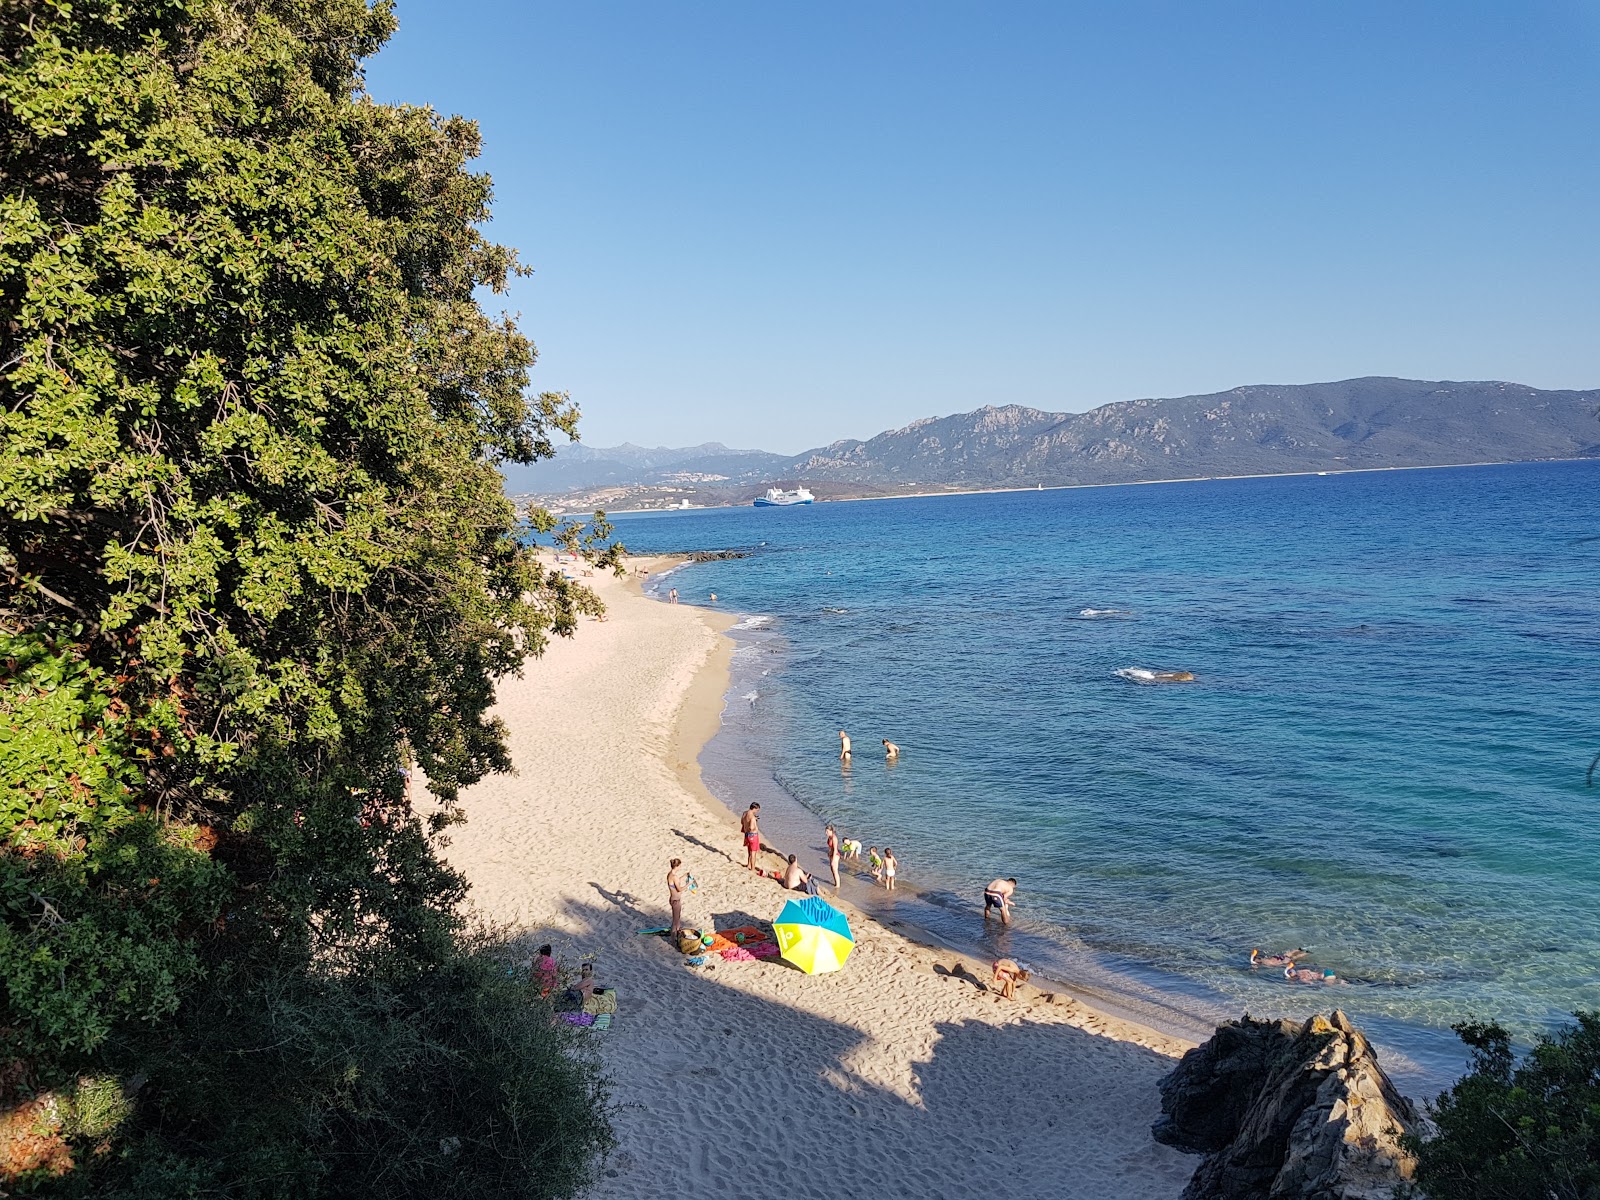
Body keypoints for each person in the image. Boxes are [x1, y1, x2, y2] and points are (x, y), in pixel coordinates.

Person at [667, 858, 689, 936]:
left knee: (676, 920)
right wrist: (689, 884)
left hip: (672, 899)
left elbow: (675, 882)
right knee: (676, 921)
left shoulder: (670, 874)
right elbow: (679, 889)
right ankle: (673, 939)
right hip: (676, 900)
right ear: (677, 866)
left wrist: (683, 876)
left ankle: (676, 935)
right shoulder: (674, 876)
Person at [741, 803, 762, 871]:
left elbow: (742, 822)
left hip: (747, 835)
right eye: (757, 810)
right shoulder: (752, 818)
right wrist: (755, 826)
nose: (757, 812)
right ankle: (752, 868)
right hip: (753, 835)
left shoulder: (744, 813)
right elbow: (751, 827)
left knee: (749, 851)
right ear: (754, 808)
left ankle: (748, 864)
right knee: (753, 853)